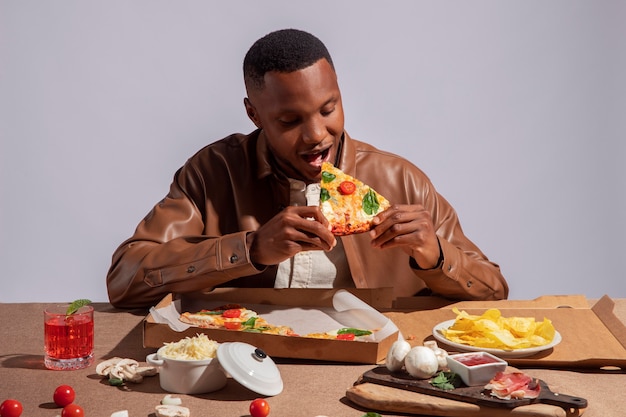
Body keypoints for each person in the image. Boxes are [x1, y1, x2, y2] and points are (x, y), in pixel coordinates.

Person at [106, 28, 508, 309]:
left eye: (328, 109)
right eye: (289, 121)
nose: (317, 134)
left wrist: (435, 255)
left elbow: (495, 293)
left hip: (371, 369)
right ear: (254, 114)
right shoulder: (212, 173)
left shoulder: (400, 180)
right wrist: (251, 249)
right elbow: (125, 279)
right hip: (246, 362)